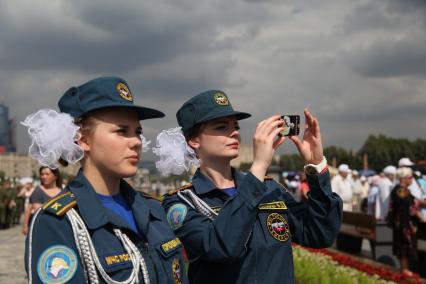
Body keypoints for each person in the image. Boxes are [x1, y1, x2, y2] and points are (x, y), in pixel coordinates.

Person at [155, 90, 342, 283]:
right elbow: (221, 248)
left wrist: (316, 167)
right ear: (193, 141)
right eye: (221, 127)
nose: (235, 132)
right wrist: (259, 167)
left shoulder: (269, 189)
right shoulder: (182, 203)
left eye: (235, 126)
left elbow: (319, 234)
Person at [23, 77, 188, 284]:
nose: (136, 141)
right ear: (82, 139)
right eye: (122, 131)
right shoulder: (59, 222)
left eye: (138, 132)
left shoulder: (153, 209)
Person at [388, 167, 426, 276]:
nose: (412, 179)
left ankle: (404, 270)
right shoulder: (402, 191)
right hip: (404, 224)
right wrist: (423, 218)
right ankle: (405, 271)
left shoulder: (399, 189)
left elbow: (415, 200)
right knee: (404, 247)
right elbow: (412, 208)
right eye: (410, 177)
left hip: (400, 224)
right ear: (404, 178)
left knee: (402, 247)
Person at [22, 167, 63, 235]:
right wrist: (25, 226)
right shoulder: (38, 191)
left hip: (60, 228)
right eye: (42, 174)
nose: (44, 177)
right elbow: (38, 211)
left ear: (55, 176)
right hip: (43, 228)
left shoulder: (62, 191)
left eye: (47, 174)